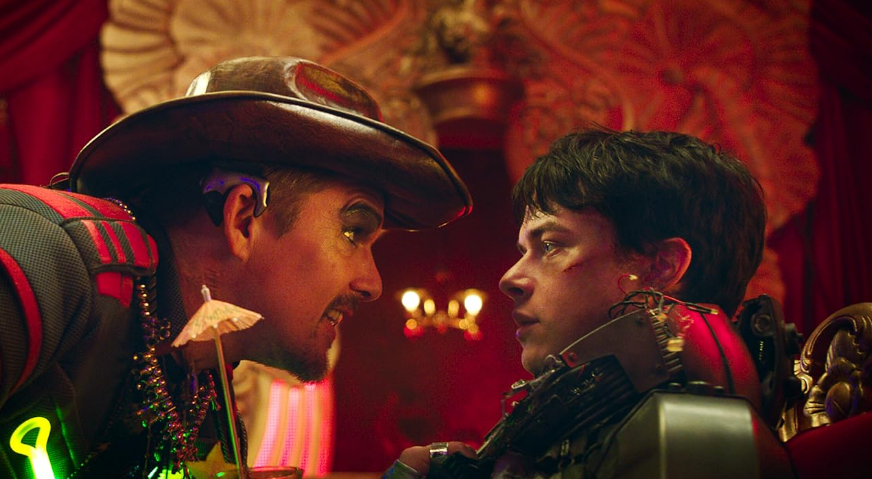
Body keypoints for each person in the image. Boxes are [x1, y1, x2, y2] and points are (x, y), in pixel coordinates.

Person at [0, 56, 472, 478]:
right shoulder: (45, 255)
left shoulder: (208, 395)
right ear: (243, 218)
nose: (372, 283)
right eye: (354, 230)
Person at [392, 127, 798, 479]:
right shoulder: (593, 436)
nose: (510, 278)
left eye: (550, 245)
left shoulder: (696, 435)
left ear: (662, 266)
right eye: (523, 250)